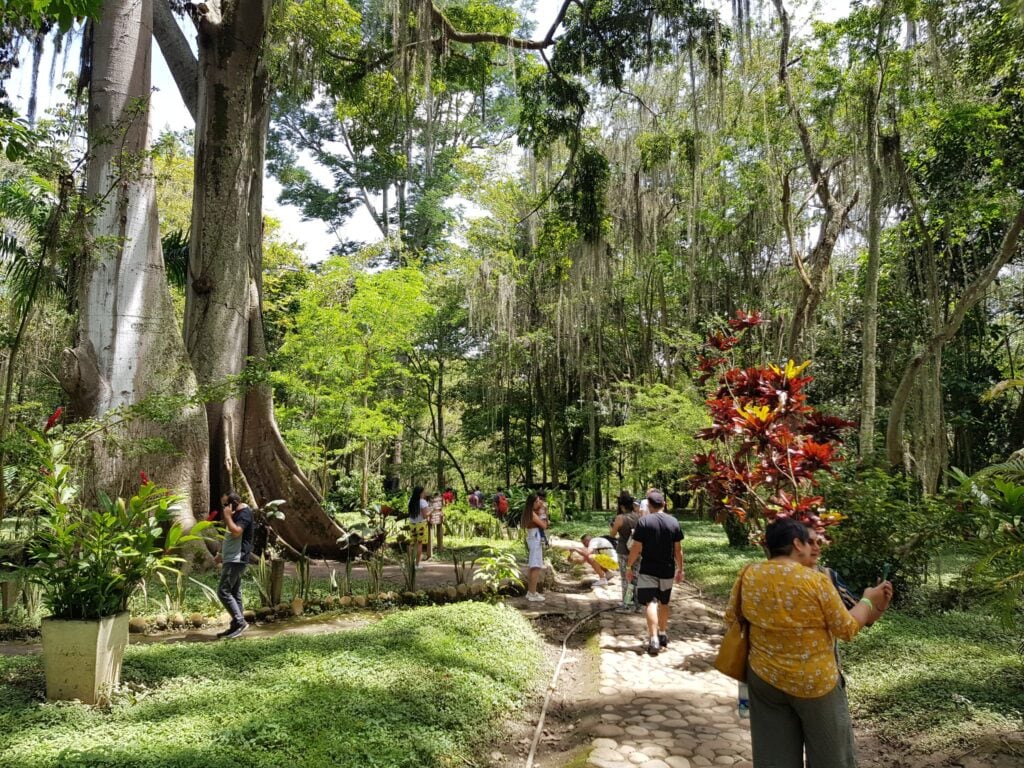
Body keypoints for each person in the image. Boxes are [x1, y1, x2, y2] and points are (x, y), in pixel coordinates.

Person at [725, 517, 894, 768]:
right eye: (808, 541)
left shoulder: (748, 574)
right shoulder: (816, 581)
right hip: (815, 684)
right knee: (831, 758)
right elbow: (846, 628)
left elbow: (732, 618)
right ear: (797, 543)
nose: (814, 547)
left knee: (774, 758)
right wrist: (868, 601)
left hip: (764, 678)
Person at [625, 489, 683, 655]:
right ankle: (663, 633)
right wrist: (681, 569)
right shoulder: (674, 522)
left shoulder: (644, 522)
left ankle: (653, 639)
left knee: (650, 602)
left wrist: (629, 566)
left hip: (648, 568)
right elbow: (678, 550)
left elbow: (636, 547)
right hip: (667, 569)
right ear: (664, 504)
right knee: (664, 603)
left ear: (649, 506)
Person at [215, 491, 255, 639]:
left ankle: (240, 622)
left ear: (233, 503)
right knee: (234, 592)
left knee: (223, 591)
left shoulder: (244, 513)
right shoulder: (233, 516)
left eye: (226, 504)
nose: (224, 507)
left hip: (237, 558)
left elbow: (237, 532)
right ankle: (235, 625)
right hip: (230, 558)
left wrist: (226, 516)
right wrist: (220, 554)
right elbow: (228, 536)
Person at [610, 490, 641, 610]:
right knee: (636, 577)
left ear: (622, 506)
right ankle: (637, 604)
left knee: (625, 578)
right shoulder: (639, 517)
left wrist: (612, 527)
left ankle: (627, 604)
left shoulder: (620, 518)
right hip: (637, 551)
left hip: (623, 551)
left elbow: (612, 535)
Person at [521, 493, 549, 602]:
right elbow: (544, 525)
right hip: (535, 538)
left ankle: (531, 591)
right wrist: (543, 513)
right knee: (536, 566)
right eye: (536, 501)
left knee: (534, 565)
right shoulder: (532, 514)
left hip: (534, 538)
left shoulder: (531, 513)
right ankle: (532, 593)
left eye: (539, 501)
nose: (539, 503)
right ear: (531, 503)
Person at [407, 486, 429, 567]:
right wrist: (432, 510)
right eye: (423, 492)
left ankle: (410, 563)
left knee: (412, 544)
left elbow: (410, 513)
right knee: (420, 544)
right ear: (420, 493)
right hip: (421, 525)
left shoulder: (410, 501)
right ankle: (417, 564)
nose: (425, 493)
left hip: (412, 524)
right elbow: (425, 516)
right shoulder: (423, 502)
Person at [426, 492, 444, 557]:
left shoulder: (439, 500)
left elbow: (441, 508)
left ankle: (440, 550)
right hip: (432, 517)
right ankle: (430, 554)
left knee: (439, 533)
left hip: (437, 516)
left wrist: (442, 516)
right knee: (431, 535)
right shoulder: (430, 501)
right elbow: (428, 508)